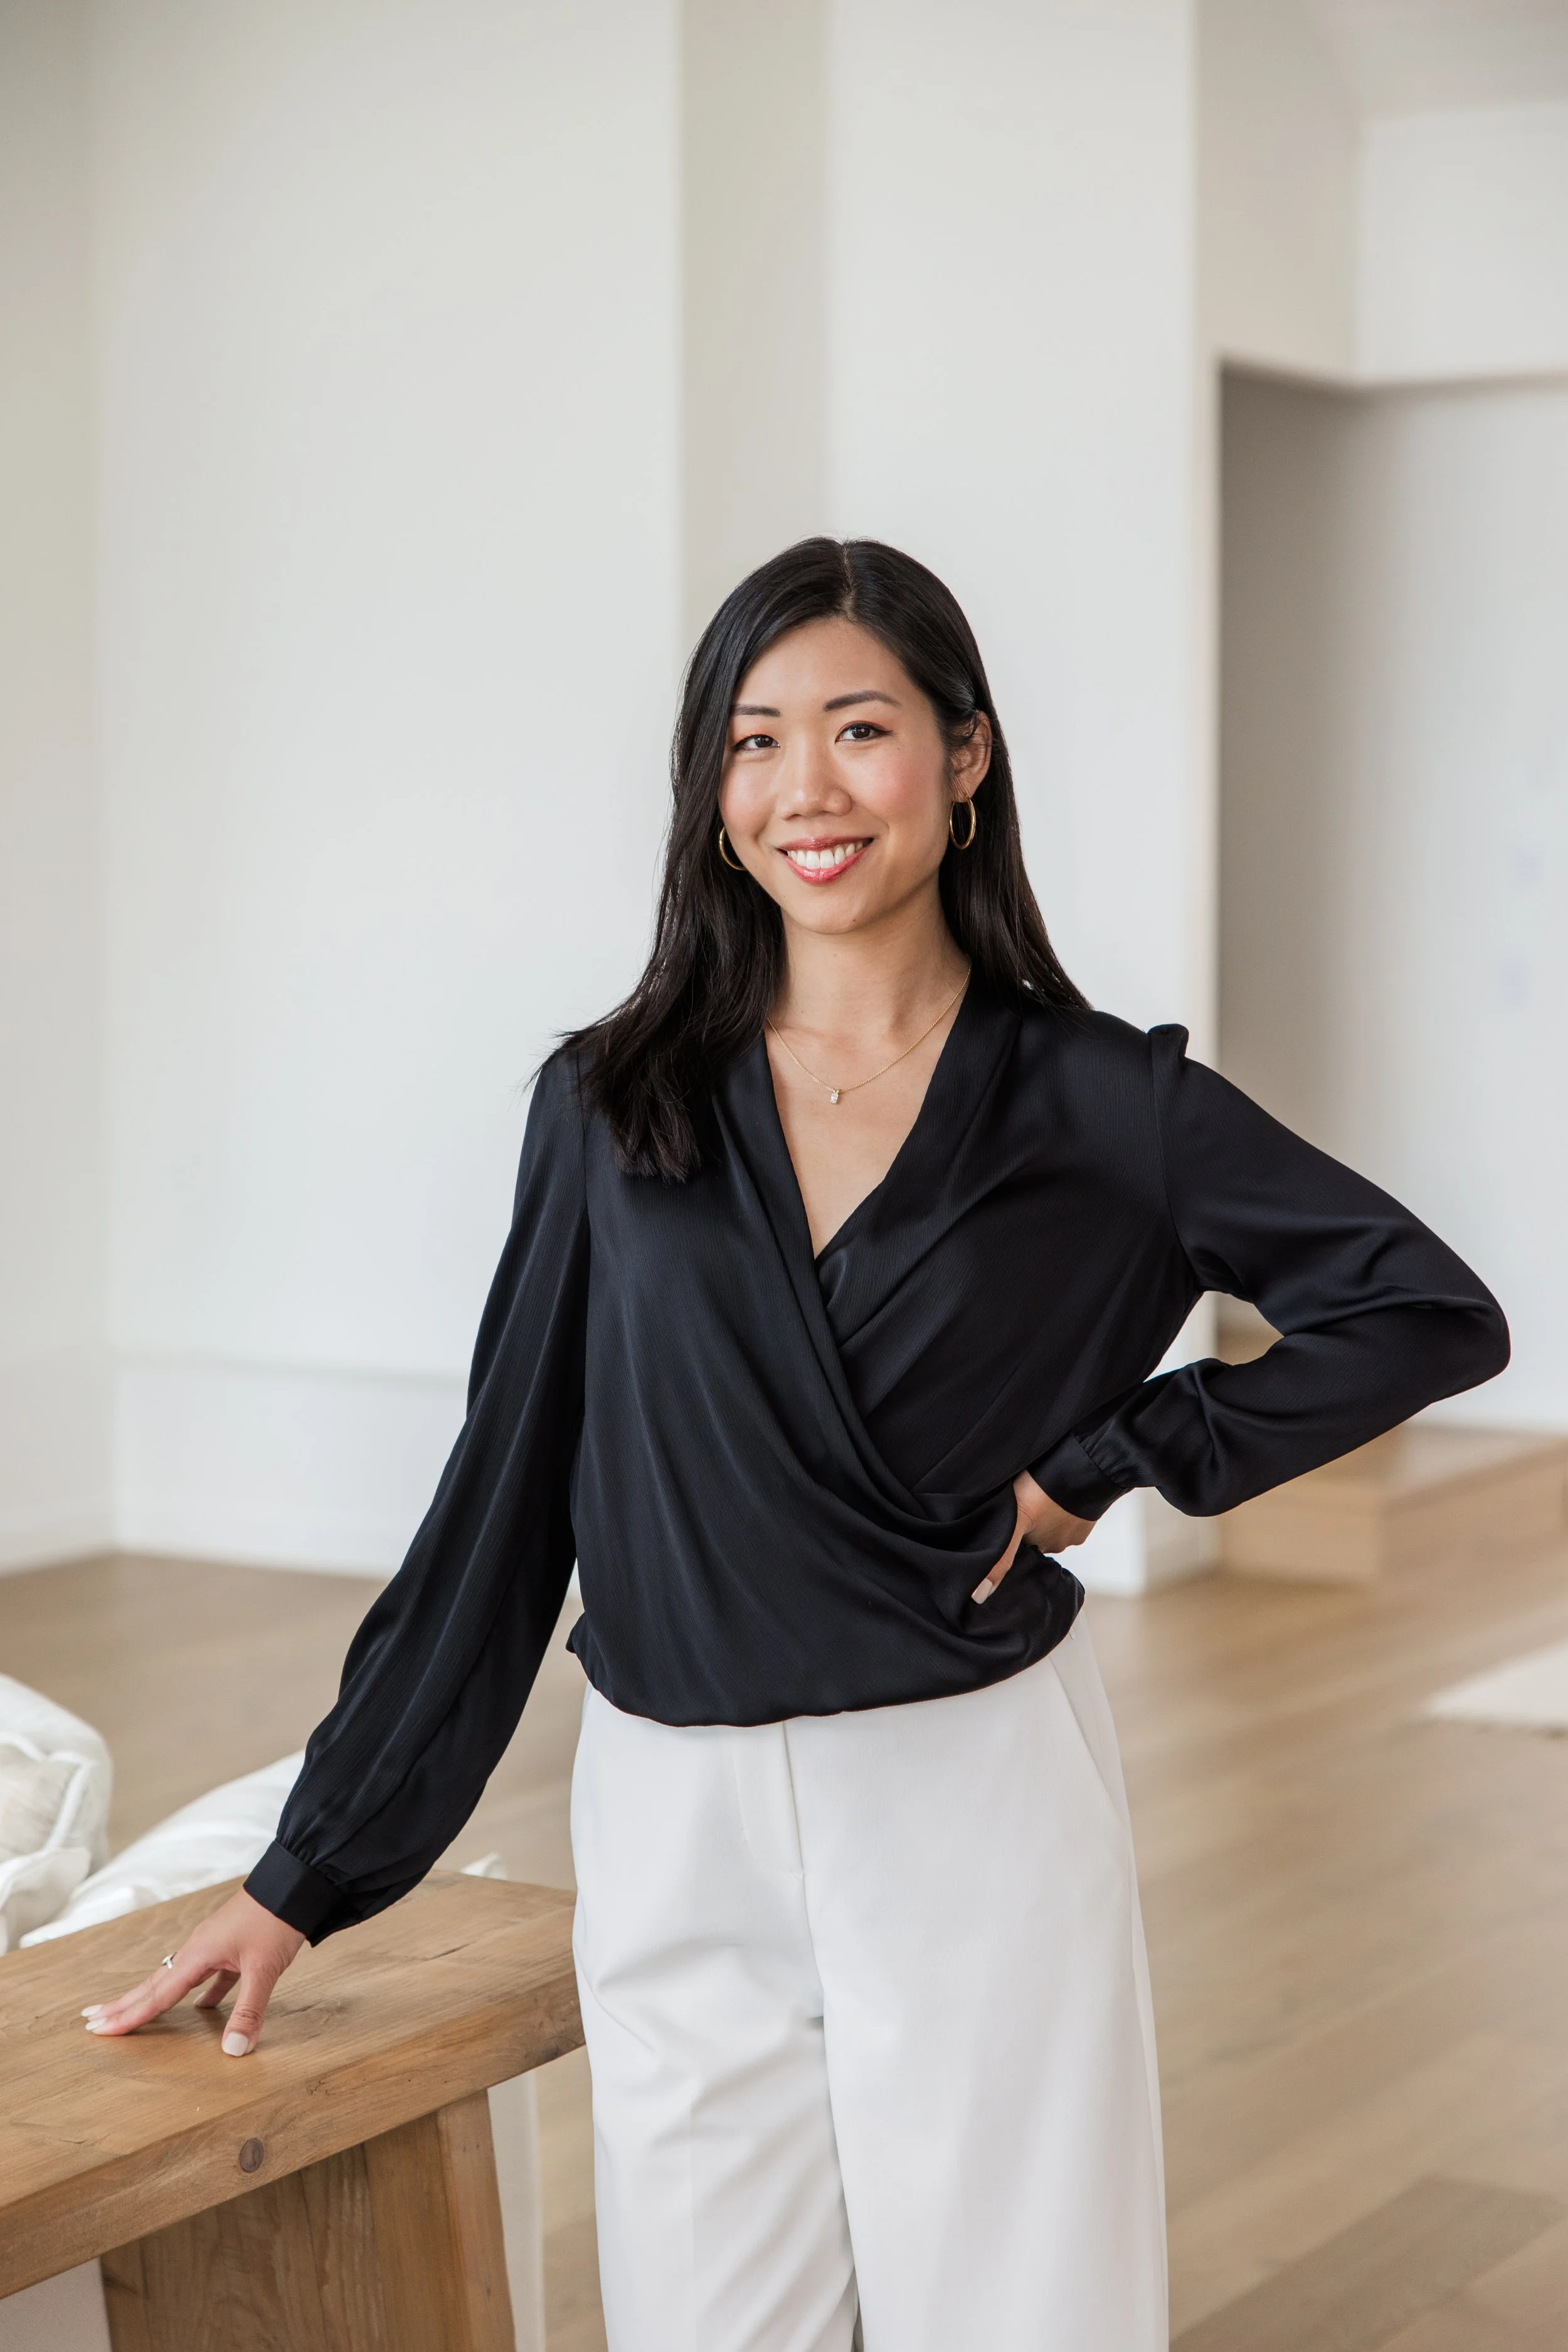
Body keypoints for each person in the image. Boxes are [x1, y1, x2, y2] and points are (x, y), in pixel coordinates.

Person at [87, 538, 1508, 2349]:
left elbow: (1422, 1308)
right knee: (706, 2318)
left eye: (858, 727)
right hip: (670, 1801)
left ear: (965, 757)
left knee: (1019, 2311)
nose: (803, 791)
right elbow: (501, 1504)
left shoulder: (1102, 1103)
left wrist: (1113, 1457)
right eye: (753, 742)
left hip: (966, 1784)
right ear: (710, 784)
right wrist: (308, 1874)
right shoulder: (612, 1105)